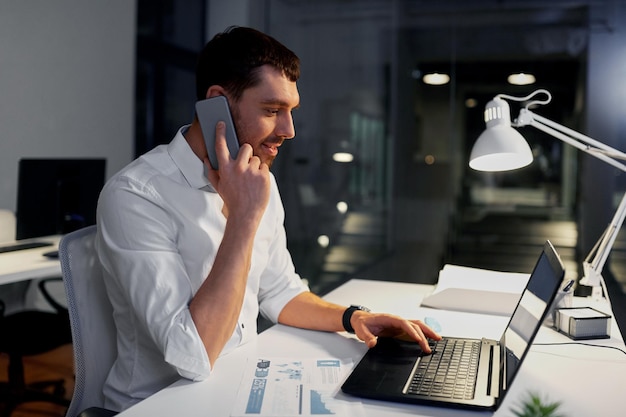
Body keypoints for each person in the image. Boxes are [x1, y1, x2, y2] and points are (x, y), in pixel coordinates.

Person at [95, 26, 441, 412]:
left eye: (290, 111)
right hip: (157, 404)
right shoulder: (137, 195)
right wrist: (243, 218)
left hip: (235, 384)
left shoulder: (258, 180)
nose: (288, 131)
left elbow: (280, 292)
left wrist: (354, 317)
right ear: (217, 105)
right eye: (272, 111)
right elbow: (192, 356)